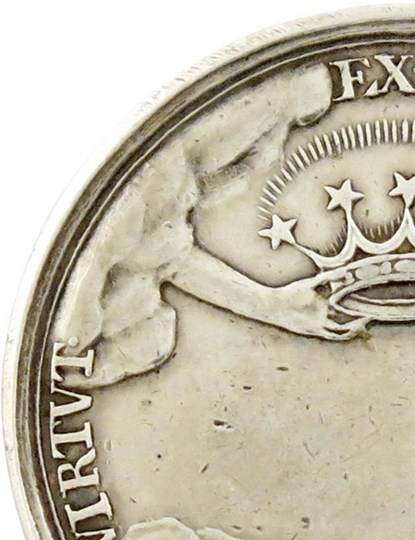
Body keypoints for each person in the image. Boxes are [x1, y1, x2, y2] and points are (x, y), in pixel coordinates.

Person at [55, 65, 366, 387]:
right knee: (152, 340)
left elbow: (165, 257)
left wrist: (272, 304)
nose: (271, 154)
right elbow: (92, 274)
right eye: (273, 124)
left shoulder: (170, 182)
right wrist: (72, 348)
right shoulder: (147, 180)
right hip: (82, 341)